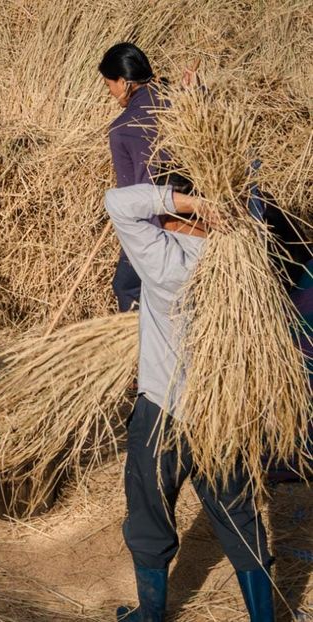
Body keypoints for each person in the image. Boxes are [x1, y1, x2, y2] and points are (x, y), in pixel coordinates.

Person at [105, 181, 273, 621]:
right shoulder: (244, 262)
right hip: (222, 411)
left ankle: (151, 614)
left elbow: (119, 202)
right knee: (238, 511)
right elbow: (253, 203)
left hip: (163, 409)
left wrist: (187, 202)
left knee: (149, 512)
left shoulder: (165, 259)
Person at [99, 42, 169, 312]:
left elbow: (130, 196)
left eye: (109, 85)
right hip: (205, 212)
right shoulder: (185, 101)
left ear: (124, 82)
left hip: (157, 222)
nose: (111, 93)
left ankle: (140, 346)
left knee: (127, 286)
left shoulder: (123, 128)